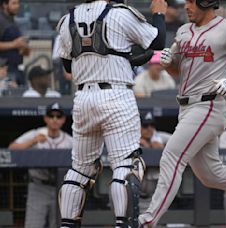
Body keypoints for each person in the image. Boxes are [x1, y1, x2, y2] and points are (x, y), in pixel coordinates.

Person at [138, 0, 226, 227]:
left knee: (171, 158)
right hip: (186, 107)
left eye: (191, 2)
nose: (186, 6)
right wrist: (170, 64)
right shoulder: (184, 30)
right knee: (210, 174)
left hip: (208, 106)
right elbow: (180, 69)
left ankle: (147, 221)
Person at [55, 0, 167, 227]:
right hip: (116, 96)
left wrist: (122, 58)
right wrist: (159, 14)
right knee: (126, 164)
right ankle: (122, 224)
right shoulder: (119, 14)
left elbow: (68, 66)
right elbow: (158, 40)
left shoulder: (68, 19)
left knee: (81, 169)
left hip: (83, 98)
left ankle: (67, 224)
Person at [8, 103, 73, 228]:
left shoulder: (68, 140)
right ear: (45, 118)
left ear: (63, 119)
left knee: (60, 225)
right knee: (33, 225)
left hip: (61, 187)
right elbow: (12, 148)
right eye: (51, 115)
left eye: (58, 116)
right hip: (38, 186)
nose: (55, 119)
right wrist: (33, 141)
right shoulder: (35, 134)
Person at [0, 0, 30, 86]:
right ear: (5, 5)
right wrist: (14, 44)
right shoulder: (1, 21)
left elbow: (19, 46)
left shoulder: (13, 21)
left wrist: (23, 47)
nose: (17, 6)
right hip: (5, 69)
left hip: (17, 68)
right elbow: (14, 43)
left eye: (18, 3)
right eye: (14, 3)